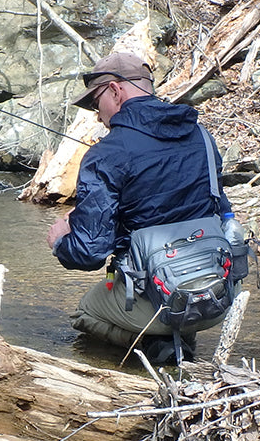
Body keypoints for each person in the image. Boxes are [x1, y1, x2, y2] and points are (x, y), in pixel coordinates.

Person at [46, 51, 234, 363]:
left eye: (96, 103)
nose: (96, 114)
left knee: (85, 313)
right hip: (217, 296)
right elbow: (205, 209)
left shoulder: (106, 154)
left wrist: (61, 239)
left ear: (116, 91)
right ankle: (177, 337)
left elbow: (89, 254)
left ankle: (154, 345)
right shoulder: (202, 136)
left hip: (159, 298)